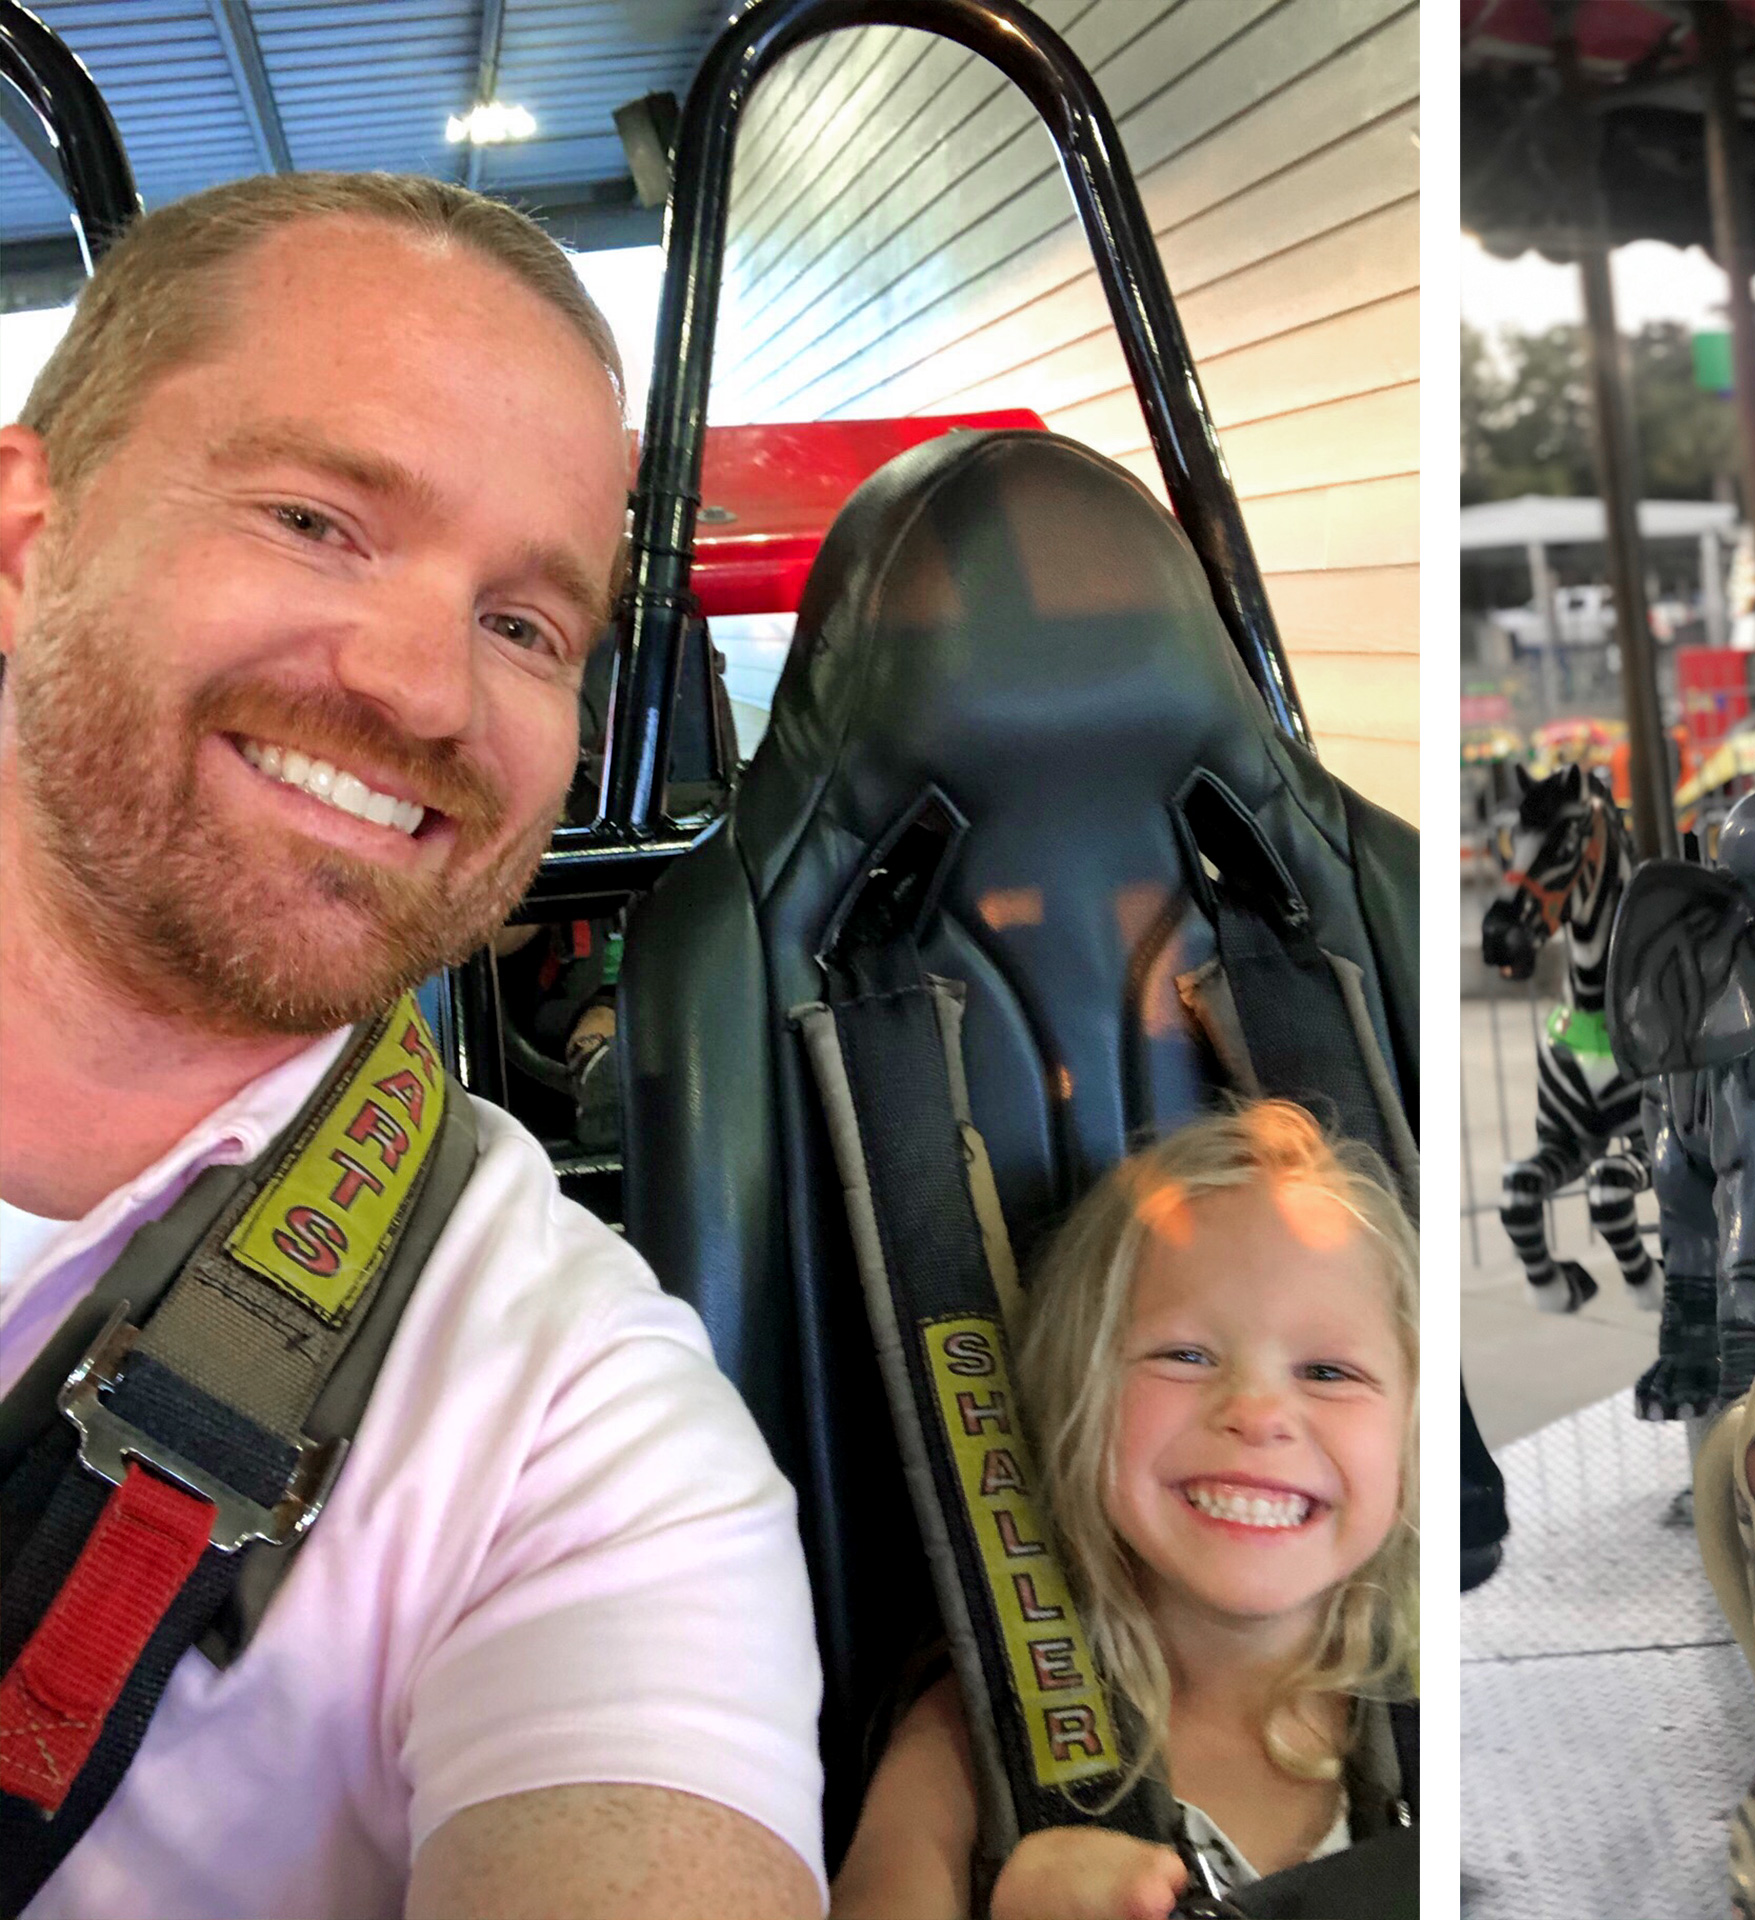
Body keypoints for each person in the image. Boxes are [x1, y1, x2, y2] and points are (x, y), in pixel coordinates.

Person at [0, 175, 822, 1915]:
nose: (426, 690)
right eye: (316, 520)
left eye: (526, 626)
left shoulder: (580, 1437)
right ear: (24, 537)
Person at [831, 1102, 1417, 1920]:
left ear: (1411, 1436)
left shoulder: (1436, 1703)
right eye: (1184, 1355)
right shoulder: (975, 1742)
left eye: (1327, 1371)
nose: (1256, 1410)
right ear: (1078, 1398)